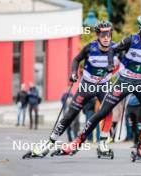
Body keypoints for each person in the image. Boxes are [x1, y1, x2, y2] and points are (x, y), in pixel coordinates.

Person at [61, 13, 141, 157]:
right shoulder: (131, 40)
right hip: (125, 81)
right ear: (140, 30)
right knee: (103, 112)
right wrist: (111, 64)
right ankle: (77, 141)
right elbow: (112, 49)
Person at [30, 21, 118, 157]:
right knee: (70, 114)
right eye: (103, 35)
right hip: (87, 85)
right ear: (97, 35)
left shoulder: (116, 48)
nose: (106, 37)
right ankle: (49, 142)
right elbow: (76, 60)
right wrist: (73, 73)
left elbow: (125, 63)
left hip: (104, 85)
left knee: (108, 111)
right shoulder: (90, 48)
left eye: (108, 34)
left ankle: (103, 143)